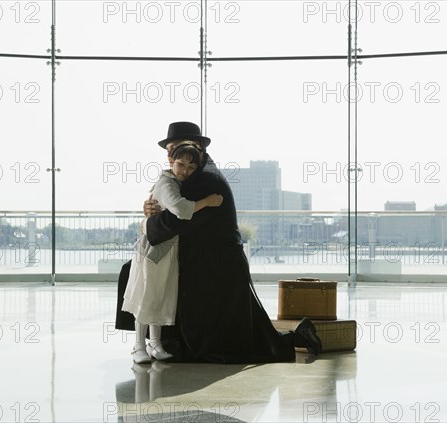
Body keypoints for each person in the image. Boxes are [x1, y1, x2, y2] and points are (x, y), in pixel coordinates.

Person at [116, 122, 322, 363]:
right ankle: (156, 342)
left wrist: (145, 224)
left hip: (216, 265)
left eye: (176, 147)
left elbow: (176, 221)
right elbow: (170, 207)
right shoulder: (196, 173)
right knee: (245, 335)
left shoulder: (204, 181)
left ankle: (156, 343)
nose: (171, 154)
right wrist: (153, 208)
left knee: (233, 343)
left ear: (197, 149)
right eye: (170, 150)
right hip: (211, 260)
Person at [121, 142, 223, 364]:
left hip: (167, 249)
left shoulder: (175, 182)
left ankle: (155, 344)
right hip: (154, 248)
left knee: (160, 295)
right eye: (181, 164)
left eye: (191, 166)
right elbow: (179, 208)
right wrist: (207, 201)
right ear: (170, 161)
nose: (185, 170)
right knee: (148, 296)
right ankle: (138, 346)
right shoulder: (167, 183)